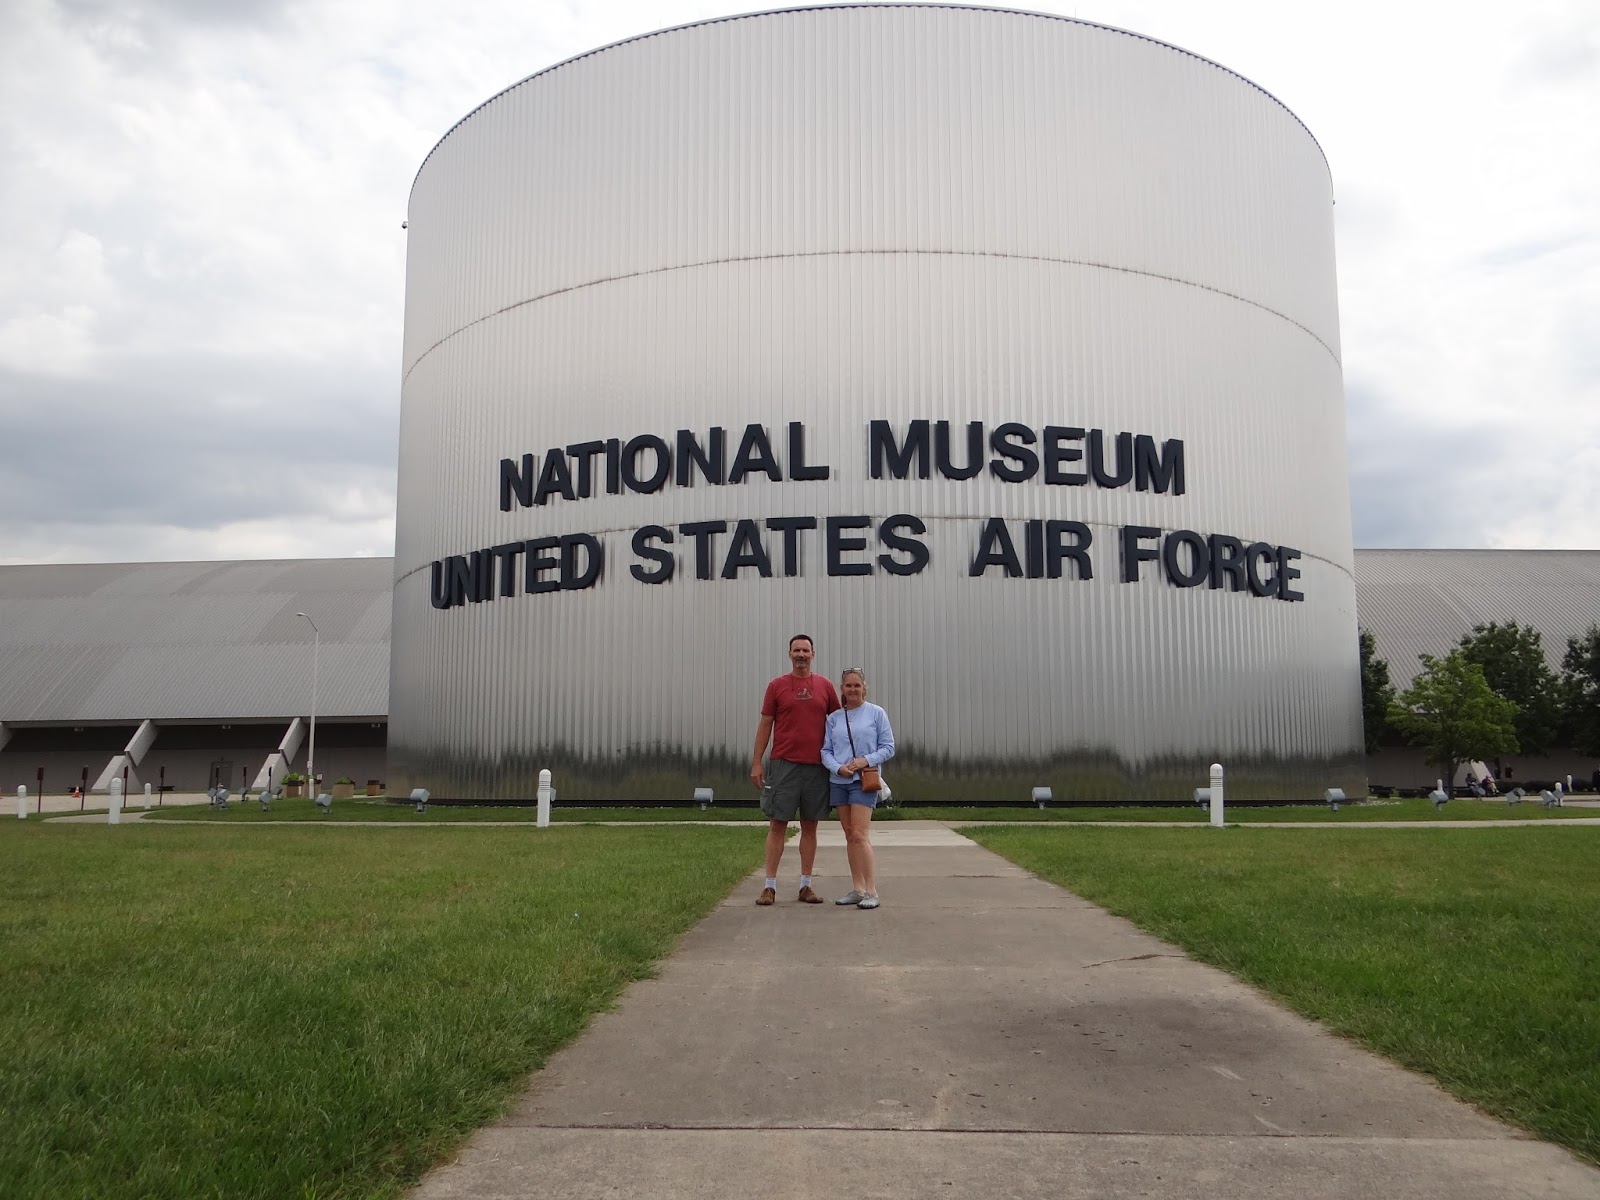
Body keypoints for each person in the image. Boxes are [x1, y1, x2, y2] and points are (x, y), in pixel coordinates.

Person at [751, 634, 840, 905]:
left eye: (805, 650)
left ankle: (806, 885)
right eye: (796, 650)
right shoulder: (776, 686)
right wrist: (757, 762)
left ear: (813, 654)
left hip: (816, 767)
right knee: (777, 824)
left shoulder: (825, 686)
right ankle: (769, 887)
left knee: (809, 826)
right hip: (783, 765)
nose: (801, 654)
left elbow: (838, 724)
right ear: (789, 654)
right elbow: (766, 724)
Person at [821, 666, 895, 910]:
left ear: (865, 687)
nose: (853, 690)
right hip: (839, 781)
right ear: (841, 689)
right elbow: (826, 751)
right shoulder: (834, 718)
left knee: (861, 834)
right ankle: (857, 888)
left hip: (863, 781)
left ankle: (872, 890)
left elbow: (888, 747)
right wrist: (837, 768)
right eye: (848, 686)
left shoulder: (876, 713)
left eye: (857, 685)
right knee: (849, 835)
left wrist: (866, 760)